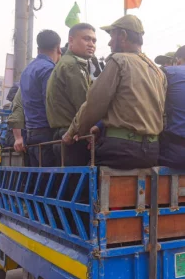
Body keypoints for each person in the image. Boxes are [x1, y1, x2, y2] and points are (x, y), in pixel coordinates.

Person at [63, 15, 166, 169]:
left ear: (123, 36)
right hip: (151, 151)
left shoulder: (119, 60)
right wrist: (99, 127)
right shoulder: (157, 71)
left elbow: (94, 105)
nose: (110, 43)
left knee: (81, 181)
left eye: (112, 37)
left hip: (121, 149)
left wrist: (73, 132)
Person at [46, 23, 97, 166]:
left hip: (65, 134)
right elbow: (85, 105)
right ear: (71, 40)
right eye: (86, 39)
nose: (91, 44)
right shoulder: (72, 66)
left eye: (94, 40)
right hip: (72, 136)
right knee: (77, 186)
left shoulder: (71, 63)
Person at [20, 29, 62, 167]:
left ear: (38, 49)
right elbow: (50, 103)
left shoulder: (27, 70)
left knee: (40, 183)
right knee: (50, 183)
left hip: (31, 133)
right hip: (46, 134)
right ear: (58, 48)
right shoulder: (48, 69)